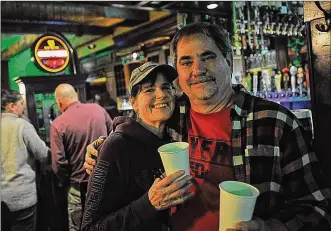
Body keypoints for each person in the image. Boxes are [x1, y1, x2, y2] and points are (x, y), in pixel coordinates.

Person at [84, 22, 331, 231]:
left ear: (227, 60)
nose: (197, 70)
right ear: (179, 72)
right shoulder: (172, 115)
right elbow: (137, 124)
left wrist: (266, 228)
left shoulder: (275, 122)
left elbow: (318, 207)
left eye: (207, 57)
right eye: (186, 62)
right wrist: (106, 142)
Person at [81, 62, 194, 231]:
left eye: (166, 87)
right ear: (134, 103)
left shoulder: (174, 136)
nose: (161, 94)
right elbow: (89, 227)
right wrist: (148, 204)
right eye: (149, 89)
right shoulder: (116, 146)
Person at [50, 84, 113, 231]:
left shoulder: (58, 124)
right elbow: (114, 137)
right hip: (106, 184)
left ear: (59, 102)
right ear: (76, 95)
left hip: (79, 189)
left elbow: (59, 163)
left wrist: (67, 181)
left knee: (78, 227)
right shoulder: (98, 110)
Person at [1, 89, 49, 231]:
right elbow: (42, 153)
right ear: (11, 106)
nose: (23, 107)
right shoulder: (22, 125)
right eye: (21, 103)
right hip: (21, 195)